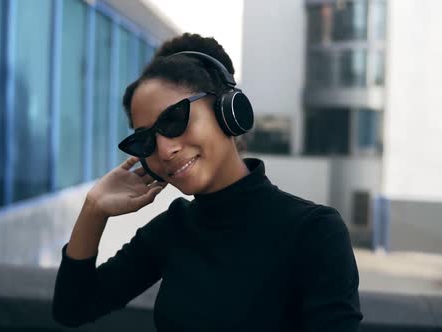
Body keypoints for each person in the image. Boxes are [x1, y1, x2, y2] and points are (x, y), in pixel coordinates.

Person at [52, 33, 363, 331]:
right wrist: (94, 210)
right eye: (145, 139)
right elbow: (73, 308)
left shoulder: (314, 231)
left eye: (173, 120)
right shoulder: (173, 229)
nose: (165, 149)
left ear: (227, 111)